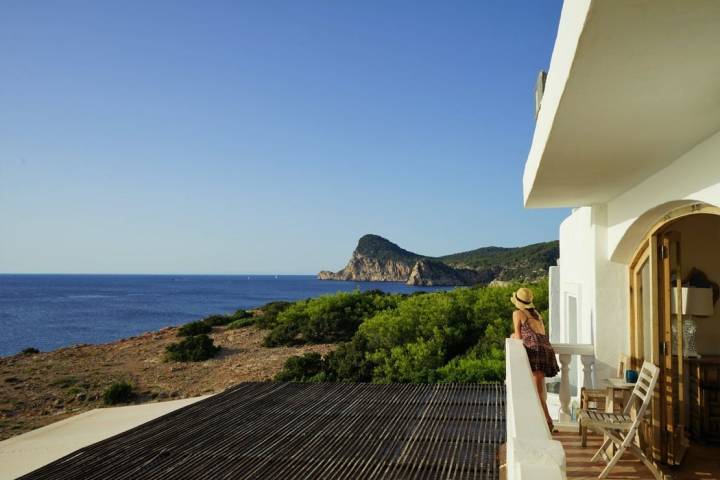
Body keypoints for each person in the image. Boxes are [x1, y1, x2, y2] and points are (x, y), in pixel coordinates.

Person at [510, 287, 559, 432]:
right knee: (540, 389)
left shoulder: (518, 313)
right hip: (546, 349)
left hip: (535, 351)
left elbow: (519, 336)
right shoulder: (536, 314)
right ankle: (545, 422)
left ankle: (548, 423)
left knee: (537, 392)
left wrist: (513, 336)